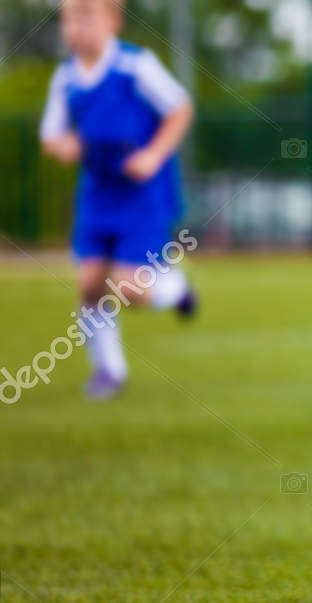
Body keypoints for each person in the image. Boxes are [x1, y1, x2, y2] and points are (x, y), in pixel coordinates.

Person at [39, 0, 197, 401]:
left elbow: (179, 109)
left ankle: (175, 289)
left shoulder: (135, 66)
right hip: (96, 196)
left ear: (113, 20)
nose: (77, 26)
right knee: (90, 285)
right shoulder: (66, 78)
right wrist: (65, 146)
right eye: (70, 18)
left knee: (126, 288)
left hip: (140, 196)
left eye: (87, 15)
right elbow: (51, 134)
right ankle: (110, 370)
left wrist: (153, 155)